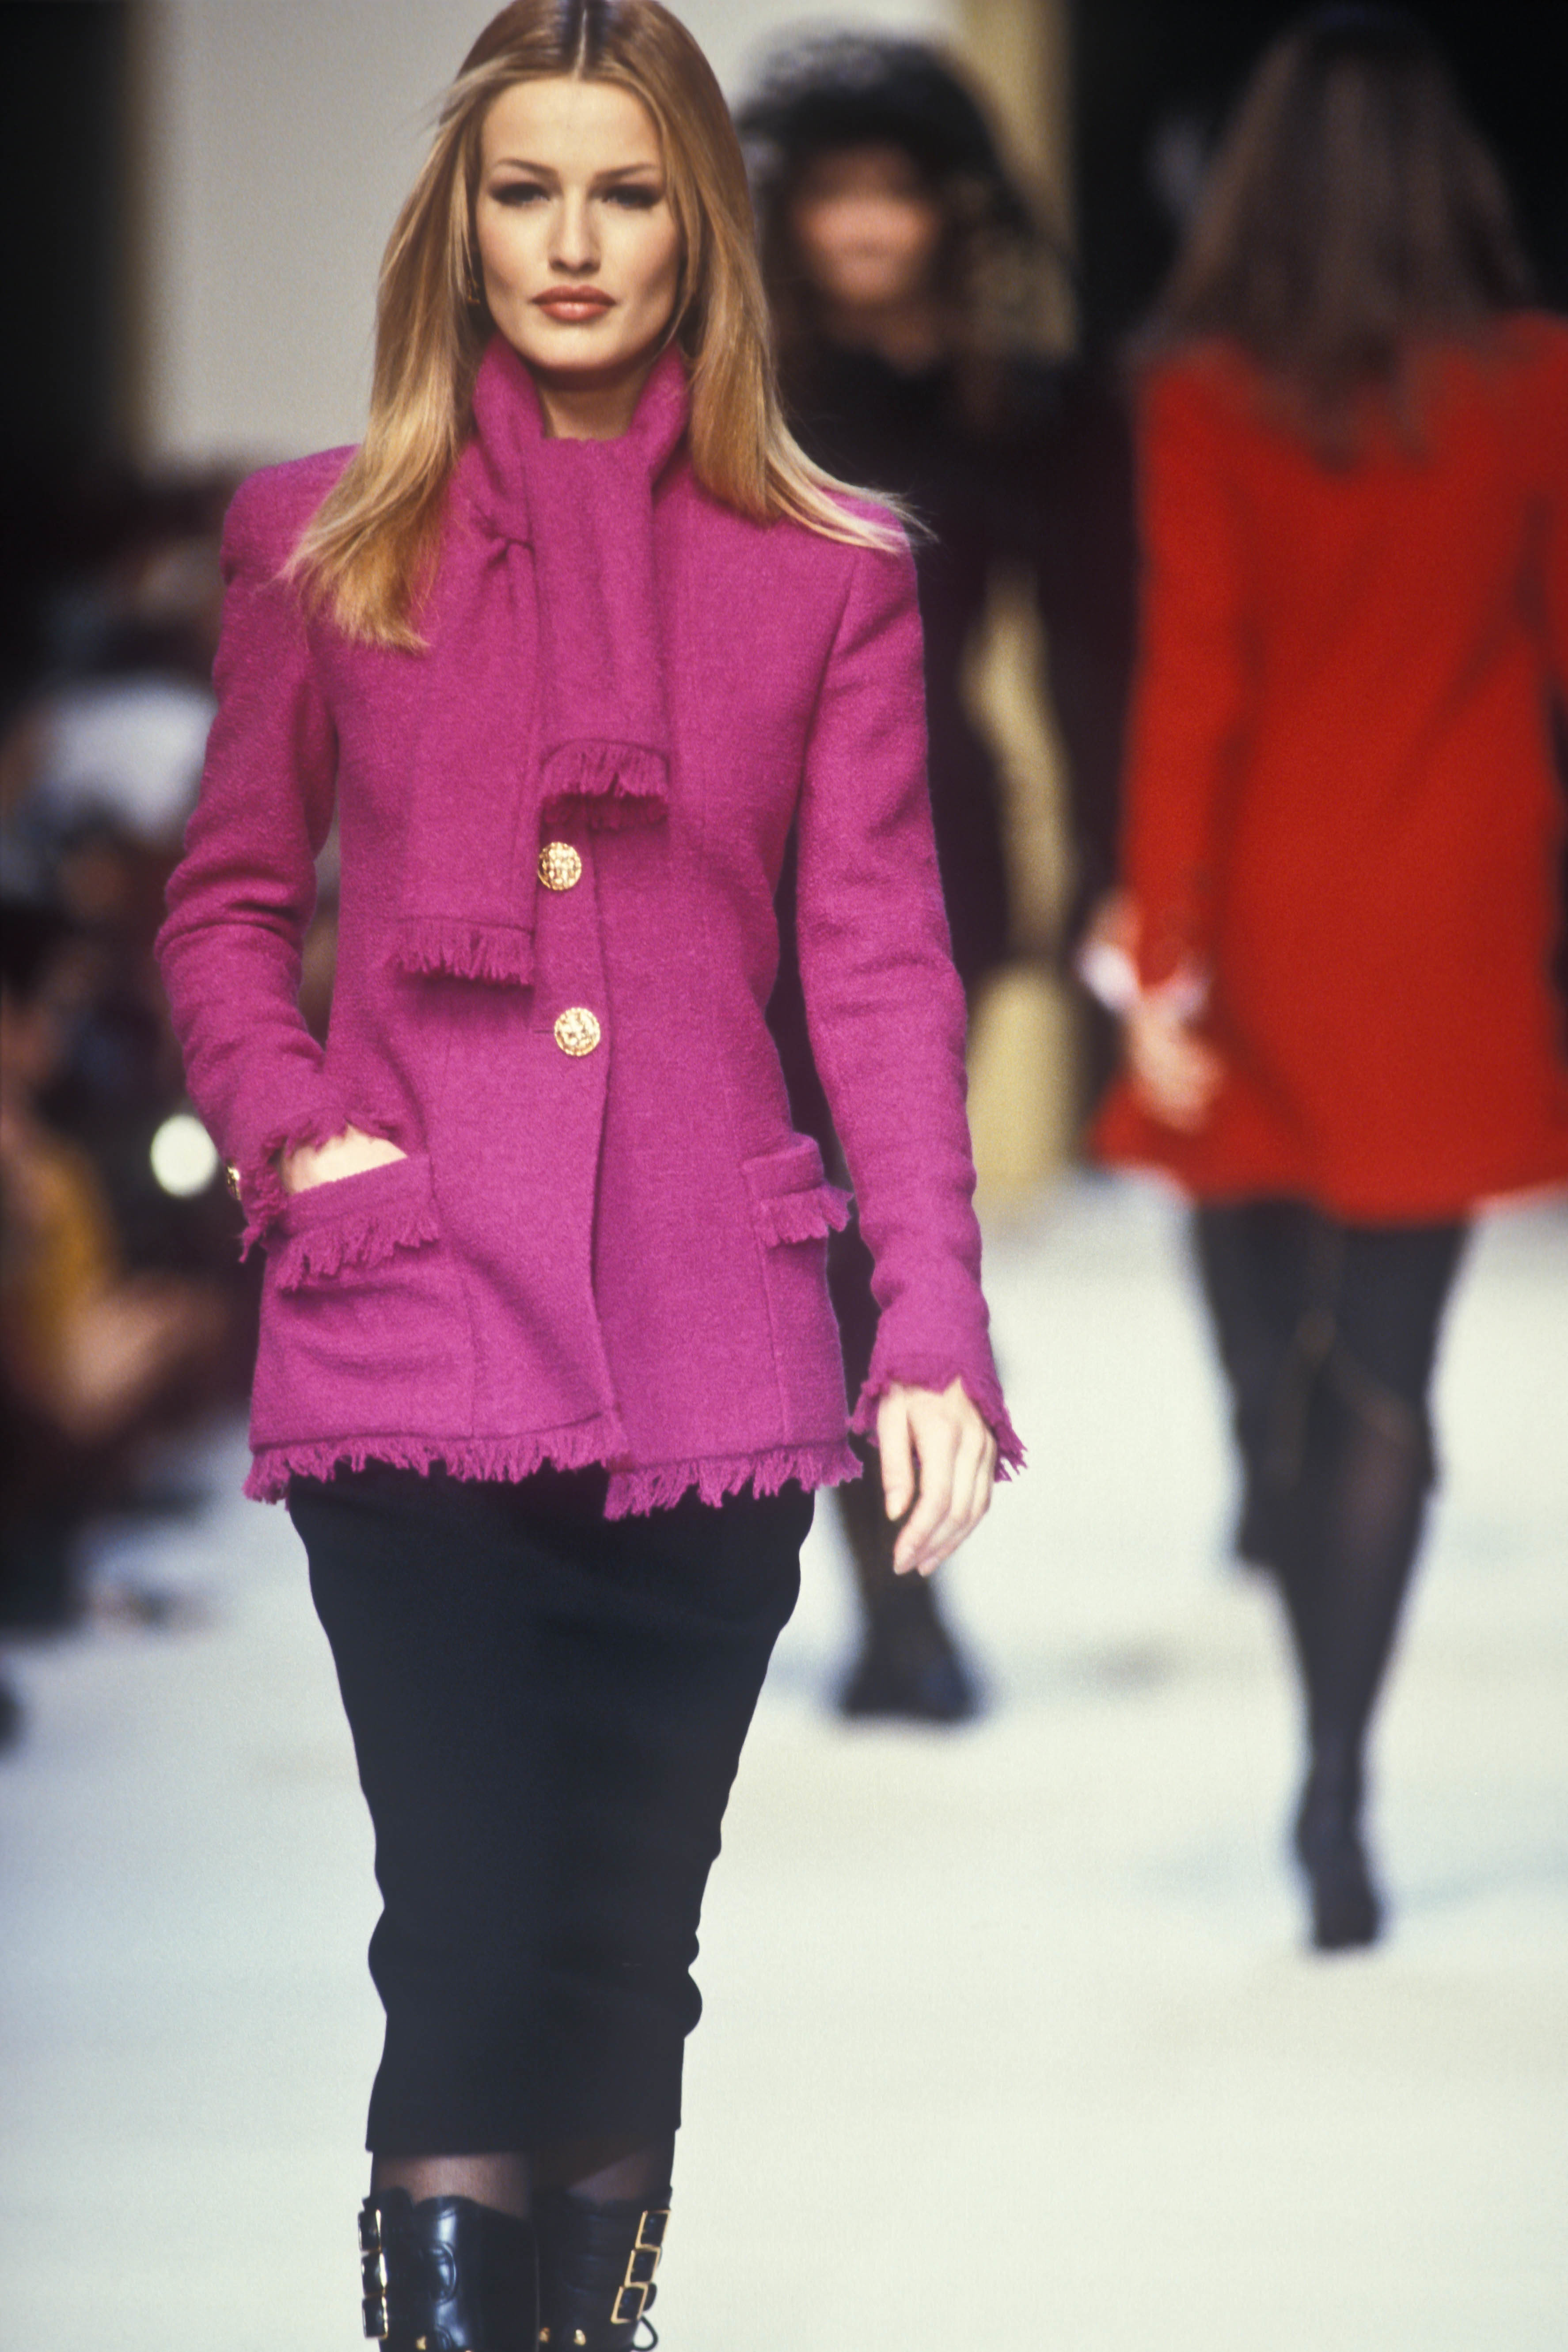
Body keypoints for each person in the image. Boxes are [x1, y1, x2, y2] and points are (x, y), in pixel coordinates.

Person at [156, 4, 1021, 2344]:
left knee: (629, 1950)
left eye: (625, 192)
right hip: (410, 1309)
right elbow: (226, 900)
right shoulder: (321, 537)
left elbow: (878, 973)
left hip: (711, 1349)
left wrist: (931, 1324)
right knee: (463, 1929)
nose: (572, 240)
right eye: (525, 189)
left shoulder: (829, 567)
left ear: (698, 228)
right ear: (459, 222)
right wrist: (296, 1128)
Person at [1089, 5, 1568, 1952]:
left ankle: (1270, 1471)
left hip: (1270, 899)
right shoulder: (1539, 380)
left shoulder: (1203, 394)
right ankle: (1340, 1783)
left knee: (1267, 1288)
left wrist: (1164, 954)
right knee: (1388, 1358)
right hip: (1458, 905)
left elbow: (1192, 677)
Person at [740, 35, 1132, 1721]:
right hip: (723, 851)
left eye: (896, 191)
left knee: (871, 1228)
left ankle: (901, 1607)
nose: (864, 223)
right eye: (833, 189)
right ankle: (815, 1584)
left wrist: (1111, 866)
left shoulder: (1018, 408)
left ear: (951, 213)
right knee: (761, 1235)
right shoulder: (732, 381)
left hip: (921, 850)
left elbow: (1098, 649)